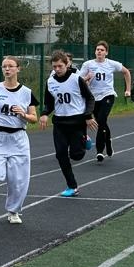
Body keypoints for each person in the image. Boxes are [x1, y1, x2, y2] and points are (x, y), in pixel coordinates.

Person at [0, 55, 39, 224]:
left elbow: (34, 118)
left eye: (10, 66)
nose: (7, 69)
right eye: (4, 66)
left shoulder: (26, 92)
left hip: (18, 139)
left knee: (19, 181)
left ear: (18, 68)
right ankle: (3, 168)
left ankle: (13, 211)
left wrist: (23, 114)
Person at [38, 48, 97, 197]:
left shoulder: (76, 79)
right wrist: (44, 114)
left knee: (77, 155)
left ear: (67, 65)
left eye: (60, 66)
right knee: (61, 154)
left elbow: (90, 98)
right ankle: (72, 186)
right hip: (60, 123)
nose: (57, 69)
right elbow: (49, 103)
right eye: (54, 67)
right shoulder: (50, 82)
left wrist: (88, 115)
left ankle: (84, 139)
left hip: (77, 121)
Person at [79, 41, 131, 163]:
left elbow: (126, 72)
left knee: (101, 120)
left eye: (102, 50)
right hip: (93, 98)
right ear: (95, 51)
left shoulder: (112, 64)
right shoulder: (88, 64)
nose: (99, 52)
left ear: (106, 52)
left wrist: (128, 89)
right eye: (97, 49)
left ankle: (99, 151)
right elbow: (79, 80)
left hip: (108, 95)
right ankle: (108, 141)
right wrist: (87, 78)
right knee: (101, 122)